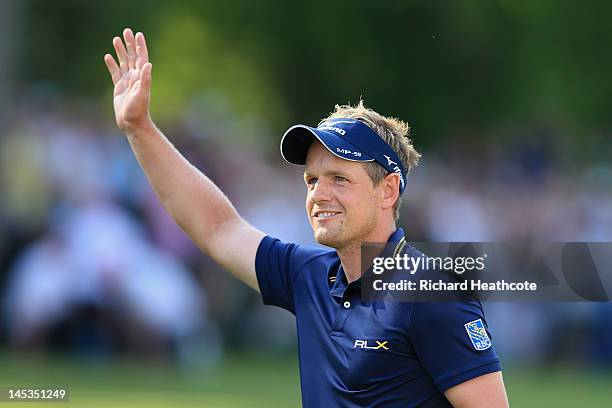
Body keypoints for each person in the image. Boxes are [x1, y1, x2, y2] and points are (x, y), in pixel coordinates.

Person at [104, 28, 509, 407]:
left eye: (339, 179)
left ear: (388, 191)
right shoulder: (310, 275)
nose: (319, 194)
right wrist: (140, 129)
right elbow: (218, 227)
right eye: (312, 179)